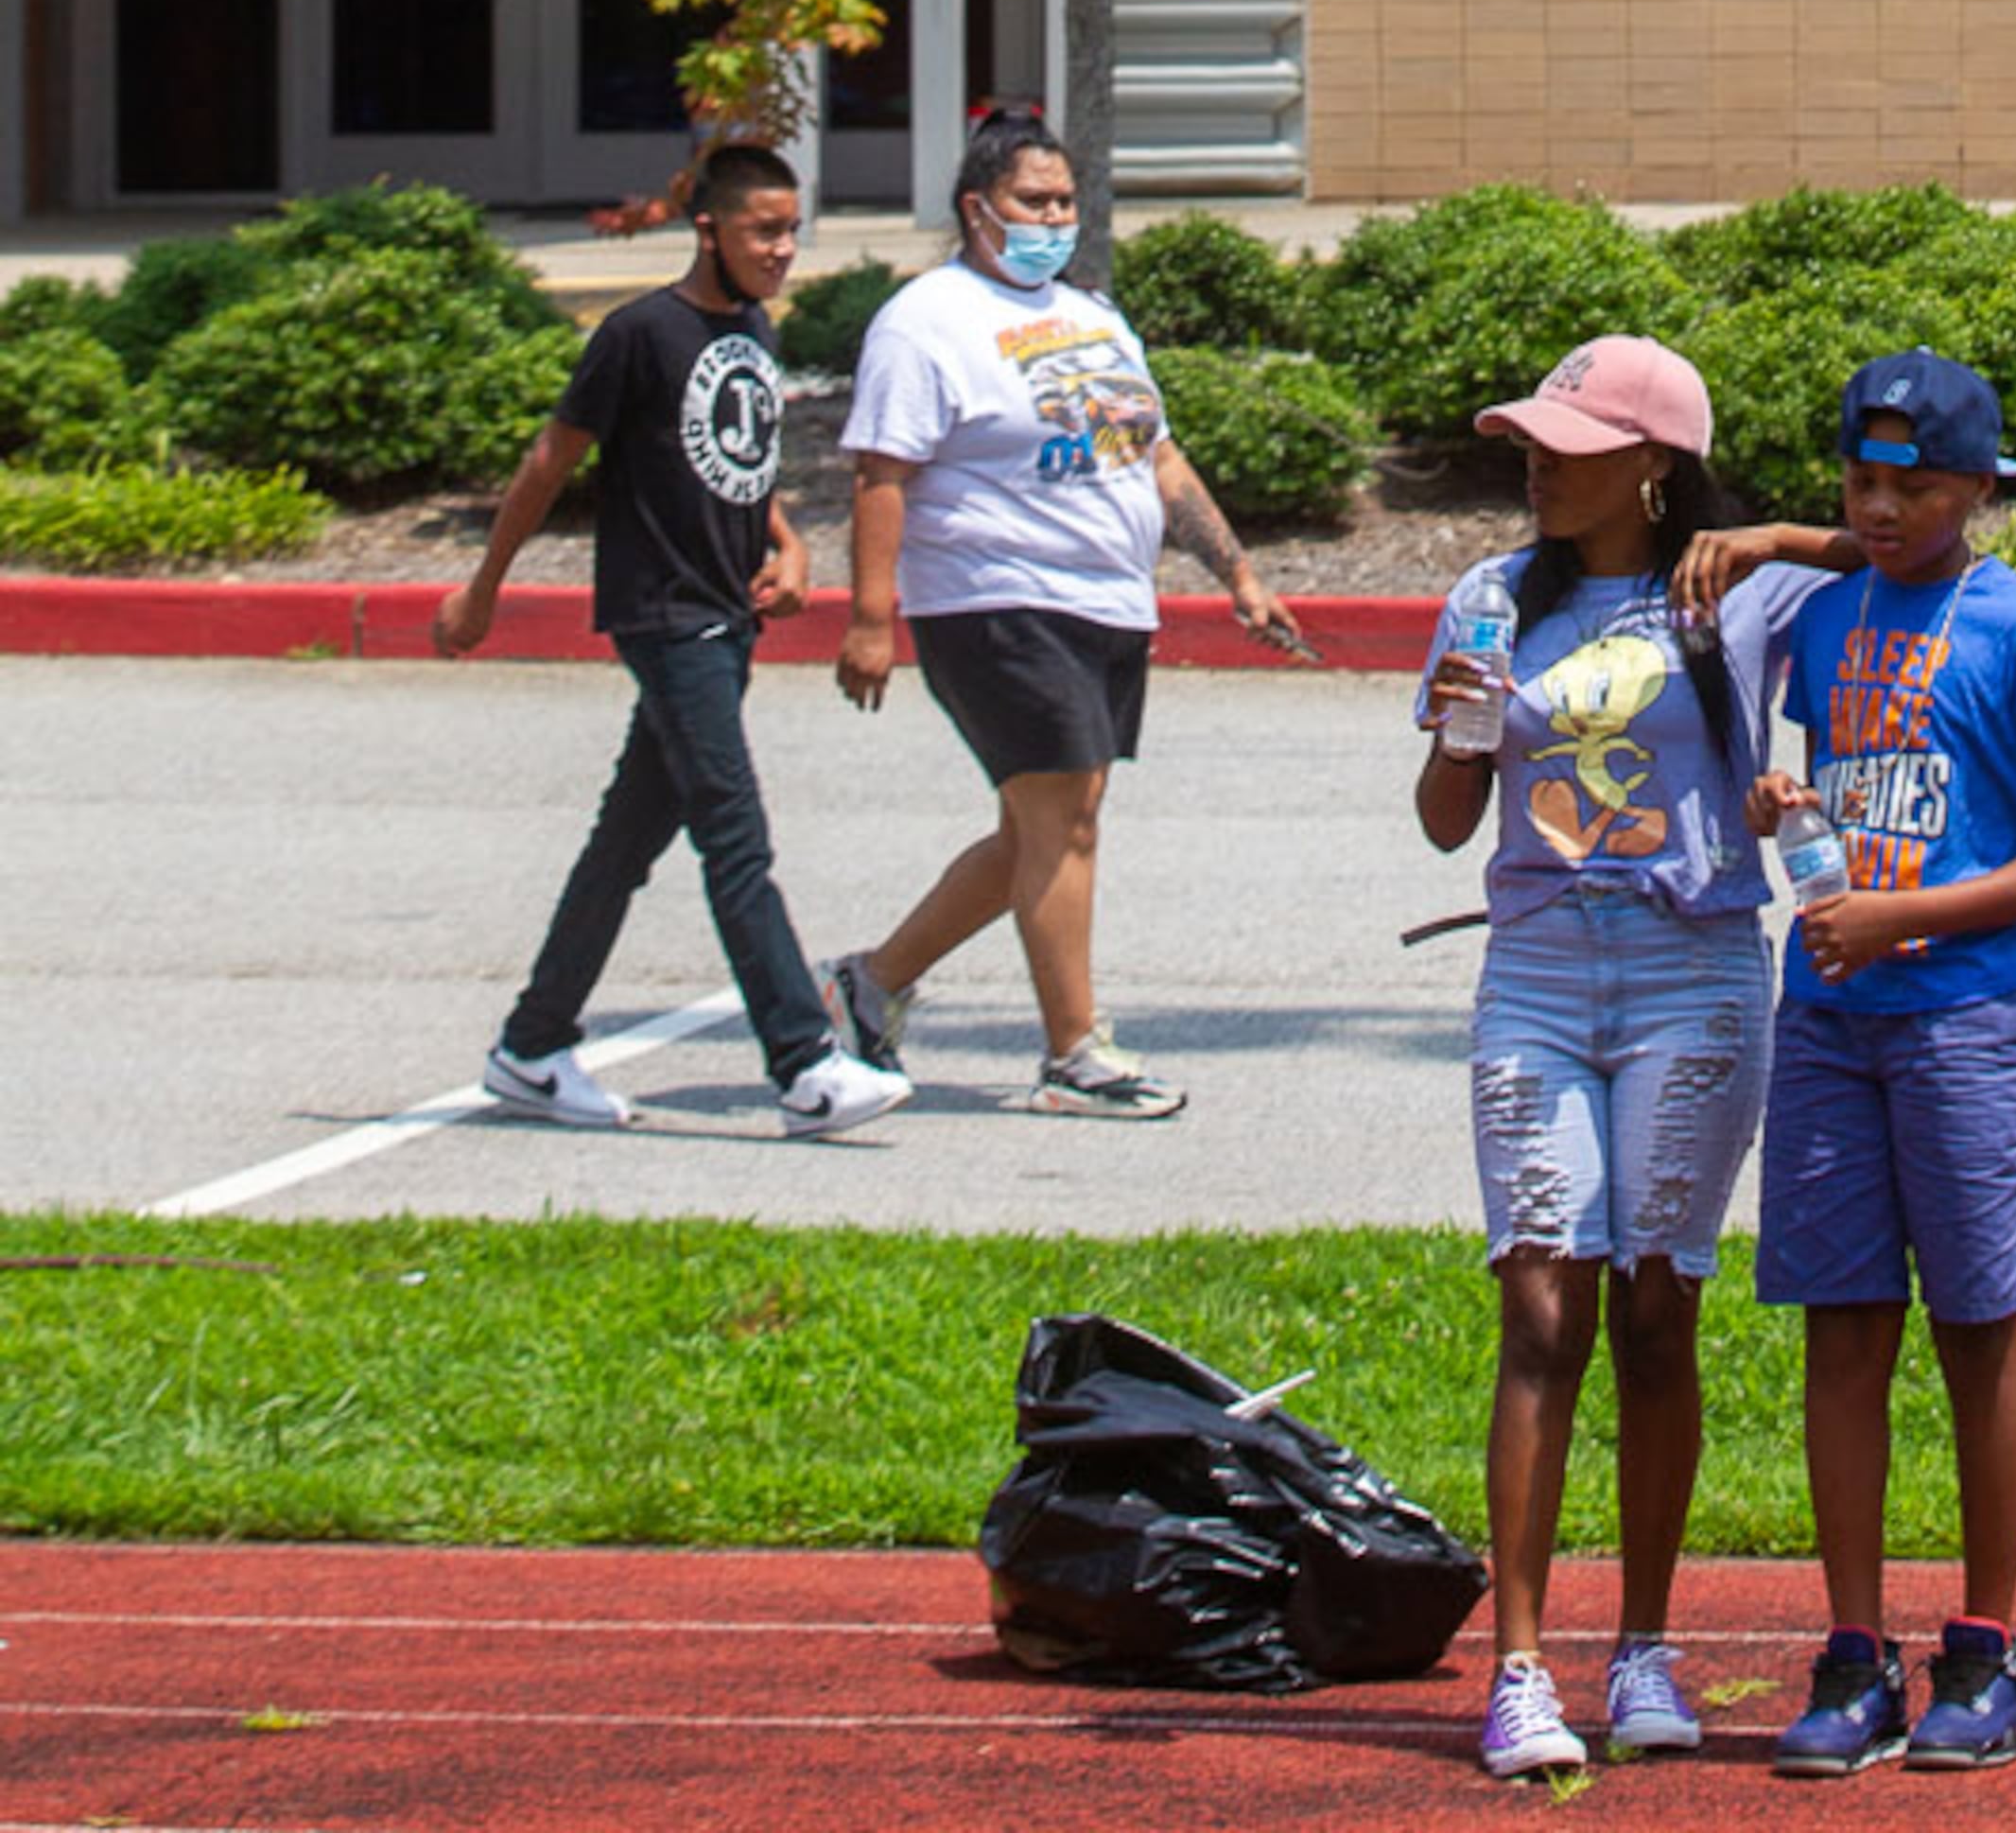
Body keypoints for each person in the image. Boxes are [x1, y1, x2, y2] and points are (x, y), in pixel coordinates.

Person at [1413, 333, 1849, 1785]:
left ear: (1655, 465)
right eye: (1530, 441)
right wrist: (1467, 724)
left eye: (1571, 444)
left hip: (1696, 973)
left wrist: (1769, 531)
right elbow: (1437, 819)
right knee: (1541, 1305)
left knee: (1660, 1310)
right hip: (1536, 972)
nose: (1536, 464)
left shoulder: (1733, 591)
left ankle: (1646, 1646)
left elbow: (1904, 545)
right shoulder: (1488, 595)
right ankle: (1521, 1668)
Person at [1737, 348, 2016, 1778]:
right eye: (1862, 483)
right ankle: (1854, 1650)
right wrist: (1790, 810)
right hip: (1831, 1023)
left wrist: (1908, 916)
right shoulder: (1828, 624)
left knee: (1975, 1323)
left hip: (1972, 1019)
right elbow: (1838, 797)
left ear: (1977, 488)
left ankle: (1985, 1642)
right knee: (1842, 1327)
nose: (1885, 508)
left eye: (1916, 485)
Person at [826, 105, 1312, 1121]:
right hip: (993, 599)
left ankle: (869, 985)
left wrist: (1237, 573)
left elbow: (1156, 456)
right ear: (977, 209)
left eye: (1064, 200)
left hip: (1106, 604)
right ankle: (1075, 1055)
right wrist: (871, 617)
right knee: (1067, 823)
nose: (1053, 217)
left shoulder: (1094, 318)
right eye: (1031, 201)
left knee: (1040, 831)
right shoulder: (928, 321)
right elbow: (883, 473)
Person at [435, 134, 907, 1143]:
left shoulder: (753, 327)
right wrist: (482, 590)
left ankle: (532, 1046)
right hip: (665, 617)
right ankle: (805, 1065)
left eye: (790, 231)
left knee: (622, 847)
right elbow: (548, 458)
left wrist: (788, 546)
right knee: (736, 842)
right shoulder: (638, 334)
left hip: (725, 615)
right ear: (708, 229)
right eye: (761, 231)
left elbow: (744, 462)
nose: (781, 250)